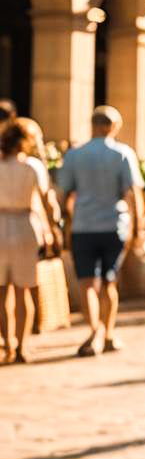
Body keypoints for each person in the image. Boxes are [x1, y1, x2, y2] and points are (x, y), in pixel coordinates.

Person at [57, 105, 144, 356]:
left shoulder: (75, 155)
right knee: (109, 282)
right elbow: (132, 193)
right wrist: (137, 226)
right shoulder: (122, 153)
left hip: (83, 225)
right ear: (114, 126)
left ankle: (94, 329)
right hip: (114, 225)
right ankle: (108, 333)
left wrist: (60, 224)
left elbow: (63, 194)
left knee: (86, 282)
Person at [0, 121, 55, 363]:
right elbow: (47, 202)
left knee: (1, 293)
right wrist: (53, 230)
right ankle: (22, 346)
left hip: (1, 224)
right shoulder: (33, 166)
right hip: (25, 225)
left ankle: (8, 345)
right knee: (24, 290)